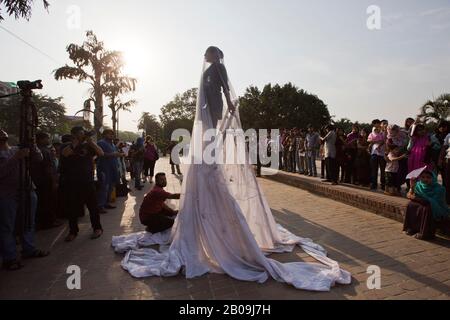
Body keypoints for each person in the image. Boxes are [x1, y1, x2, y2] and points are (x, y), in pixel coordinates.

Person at [113, 46, 350, 291]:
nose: (205, 57)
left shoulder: (219, 67)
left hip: (215, 108)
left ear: (214, 55)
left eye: (208, 54)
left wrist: (230, 105)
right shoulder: (207, 71)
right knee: (208, 144)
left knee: (212, 140)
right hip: (209, 111)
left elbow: (225, 89)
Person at [0, 129, 49, 271]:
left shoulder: (16, 149)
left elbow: (38, 158)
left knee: (29, 221)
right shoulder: (15, 153)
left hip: (27, 189)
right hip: (6, 193)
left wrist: (32, 145)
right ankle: (10, 257)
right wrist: (16, 158)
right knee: (7, 226)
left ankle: (29, 249)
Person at [61, 127, 104, 242]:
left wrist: (90, 142)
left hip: (87, 181)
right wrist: (75, 144)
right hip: (72, 182)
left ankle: (97, 228)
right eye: (81, 133)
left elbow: (101, 153)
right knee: (72, 208)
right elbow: (65, 154)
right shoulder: (67, 146)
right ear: (74, 135)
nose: (83, 134)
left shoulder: (88, 145)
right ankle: (73, 231)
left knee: (93, 207)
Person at [404, 170, 450, 240]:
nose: (425, 179)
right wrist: (412, 187)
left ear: (433, 178)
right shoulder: (418, 185)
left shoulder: (440, 189)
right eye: (423, 177)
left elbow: (433, 202)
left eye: (428, 177)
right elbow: (409, 195)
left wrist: (415, 198)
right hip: (424, 204)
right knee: (410, 205)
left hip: (438, 208)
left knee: (426, 208)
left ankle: (426, 234)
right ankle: (412, 228)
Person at [32, 132, 62, 229]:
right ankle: (49, 221)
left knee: (42, 202)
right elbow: (48, 168)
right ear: (41, 139)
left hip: (38, 180)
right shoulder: (45, 151)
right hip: (46, 181)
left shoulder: (36, 150)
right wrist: (53, 181)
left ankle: (43, 222)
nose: (49, 140)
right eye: (47, 138)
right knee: (48, 202)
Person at [96, 129, 122, 212]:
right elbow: (101, 154)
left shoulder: (113, 144)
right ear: (104, 135)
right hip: (104, 168)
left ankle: (106, 202)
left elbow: (114, 153)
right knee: (104, 187)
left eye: (112, 134)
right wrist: (114, 154)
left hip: (113, 168)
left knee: (111, 186)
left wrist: (119, 154)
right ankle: (100, 205)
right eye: (109, 134)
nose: (111, 135)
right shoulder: (101, 143)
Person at [368, 119, 386, 191]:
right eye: (374, 124)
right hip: (374, 153)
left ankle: (383, 185)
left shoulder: (383, 132)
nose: (376, 125)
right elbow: (369, 140)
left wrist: (379, 143)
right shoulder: (372, 132)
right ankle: (373, 184)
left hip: (382, 154)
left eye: (377, 123)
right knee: (374, 170)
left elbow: (384, 140)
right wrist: (376, 141)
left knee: (383, 170)